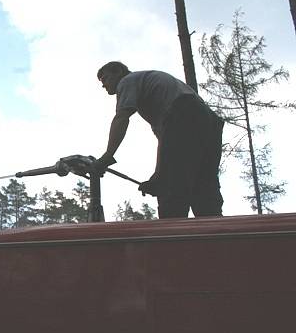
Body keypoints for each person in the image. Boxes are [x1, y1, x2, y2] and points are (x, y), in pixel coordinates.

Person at [93, 61, 224, 218]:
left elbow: (121, 117)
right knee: (204, 192)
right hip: (209, 123)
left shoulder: (127, 81)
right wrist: (158, 176)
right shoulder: (155, 91)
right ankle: (215, 236)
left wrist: (107, 155)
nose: (103, 85)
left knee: (172, 194)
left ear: (119, 72)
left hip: (184, 114)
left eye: (105, 79)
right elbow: (167, 143)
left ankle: (172, 239)